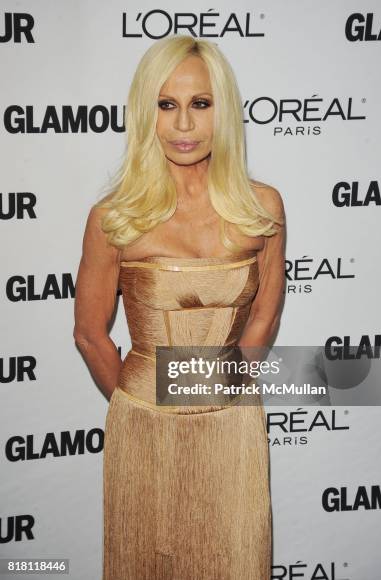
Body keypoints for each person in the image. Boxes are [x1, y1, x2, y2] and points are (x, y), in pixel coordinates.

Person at [73, 34, 286, 580]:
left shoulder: (262, 207)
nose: (184, 125)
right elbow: (90, 335)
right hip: (143, 429)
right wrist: (140, 398)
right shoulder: (112, 217)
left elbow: (264, 313)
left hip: (232, 428)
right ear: (146, 114)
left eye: (200, 104)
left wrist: (225, 387)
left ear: (224, 111)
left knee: (238, 558)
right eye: (166, 105)